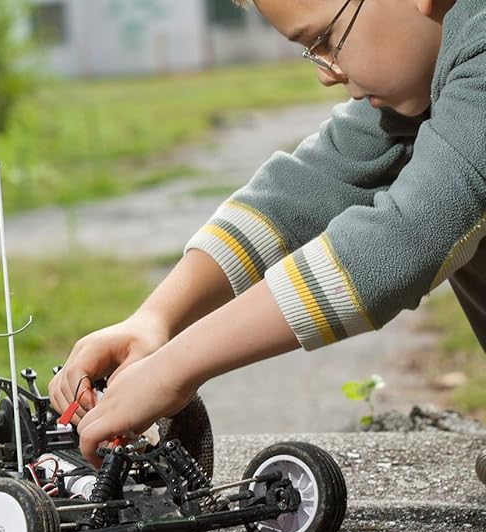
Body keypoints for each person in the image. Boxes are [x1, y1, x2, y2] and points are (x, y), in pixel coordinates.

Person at [49, 0, 486, 466]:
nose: (327, 73)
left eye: (326, 40)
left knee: (454, 206)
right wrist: (154, 319)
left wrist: (173, 369)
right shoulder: (429, 78)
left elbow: (403, 240)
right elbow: (306, 189)